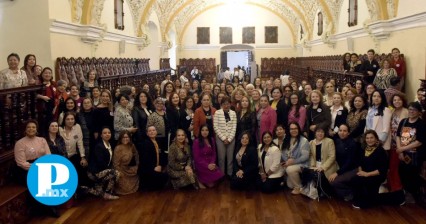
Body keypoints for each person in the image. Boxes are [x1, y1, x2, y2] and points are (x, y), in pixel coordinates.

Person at [396, 102, 425, 204]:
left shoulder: (421, 124)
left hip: (415, 155)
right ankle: (406, 192)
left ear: (418, 112)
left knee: (413, 174)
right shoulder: (404, 121)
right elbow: (398, 136)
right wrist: (400, 150)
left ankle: (413, 195)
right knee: (402, 172)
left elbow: (419, 142)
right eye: (410, 109)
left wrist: (403, 149)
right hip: (403, 154)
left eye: (414, 110)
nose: (411, 112)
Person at [352, 130, 389, 209]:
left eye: (372, 138)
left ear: (376, 139)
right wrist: (361, 171)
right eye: (367, 138)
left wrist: (367, 174)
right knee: (355, 180)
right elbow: (359, 163)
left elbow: (382, 170)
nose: (369, 140)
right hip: (364, 173)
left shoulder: (380, 151)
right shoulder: (363, 149)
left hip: (376, 175)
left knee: (372, 199)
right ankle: (360, 199)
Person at [85, 127, 120, 200]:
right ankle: (107, 193)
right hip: (94, 172)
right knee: (115, 173)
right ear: (101, 135)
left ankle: (89, 189)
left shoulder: (110, 145)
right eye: (105, 133)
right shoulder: (99, 146)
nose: (107, 134)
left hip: (103, 170)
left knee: (99, 193)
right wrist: (110, 169)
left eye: (109, 133)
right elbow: (100, 162)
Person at [14, 120, 51, 185]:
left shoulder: (42, 140)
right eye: (28, 127)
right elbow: (22, 163)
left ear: (36, 129)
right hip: (27, 171)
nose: (31, 129)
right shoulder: (19, 143)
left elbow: (48, 156)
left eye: (33, 127)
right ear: (25, 129)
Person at [329, 124, 360, 201]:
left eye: (344, 131)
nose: (342, 133)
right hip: (341, 168)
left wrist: (337, 173)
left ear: (348, 133)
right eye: (340, 130)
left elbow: (349, 162)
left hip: (352, 169)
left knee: (334, 182)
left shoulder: (352, 144)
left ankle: (350, 193)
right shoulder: (337, 141)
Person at [307, 126, 337, 196]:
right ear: (315, 133)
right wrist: (312, 164)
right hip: (315, 165)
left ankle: (323, 191)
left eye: (322, 132)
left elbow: (332, 157)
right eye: (318, 131)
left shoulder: (329, 141)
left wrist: (323, 167)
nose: (320, 133)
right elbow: (311, 155)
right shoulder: (311, 142)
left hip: (328, 166)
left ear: (324, 133)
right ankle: (316, 190)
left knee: (320, 175)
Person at [281, 122, 310, 194]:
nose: (293, 130)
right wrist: (287, 162)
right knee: (290, 185)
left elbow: (305, 157)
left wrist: (293, 162)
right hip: (290, 163)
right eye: (291, 129)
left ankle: (299, 187)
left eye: (295, 128)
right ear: (289, 130)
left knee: (290, 169)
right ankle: (301, 184)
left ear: (299, 129)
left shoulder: (303, 140)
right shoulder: (286, 139)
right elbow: (283, 153)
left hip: (303, 164)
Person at [388, 94, 408, 193]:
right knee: (391, 166)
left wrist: (402, 148)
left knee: (396, 167)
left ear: (403, 100)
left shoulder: (406, 111)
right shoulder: (392, 111)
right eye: (394, 100)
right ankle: (392, 186)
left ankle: (397, 188)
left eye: (399, 99)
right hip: (392, 142)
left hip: (401, 145)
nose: (396, 101)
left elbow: (407, 131)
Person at [139, 126, 168, 190]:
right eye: (150, 131)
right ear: (147, 133)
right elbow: (144, 160)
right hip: (149, 169)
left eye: (153, 130)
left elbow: (162, 155)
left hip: (158, 167)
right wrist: (153, 168)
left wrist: (160, 165)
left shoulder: (159, 142)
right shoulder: (145, 144)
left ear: (156, 132)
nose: (152, 132)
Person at [214, 96, 237, 177]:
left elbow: (234, 126)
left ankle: (230, 174)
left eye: (227, 104)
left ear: (230, 104)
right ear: (221, 104)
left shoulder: (233, 113)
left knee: (230, 158)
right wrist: (223, 138)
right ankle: (221, 174)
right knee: (221, 159)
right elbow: (215, 126)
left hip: (231, 139)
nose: (226, 106)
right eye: (224, 104)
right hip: (220, 139)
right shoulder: (217, 113)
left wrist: (229, 139)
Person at [112, 130, 139, 195]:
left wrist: (137, 165)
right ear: (120, 138)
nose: (125, 139)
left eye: (127, 137)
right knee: (125, 188)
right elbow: (115, 164)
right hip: (120, 169)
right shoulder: (118, 148)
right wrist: (120, 173)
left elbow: (136, 155)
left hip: (128, 168)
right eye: (123, 137)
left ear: (129, 138)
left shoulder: (131, 146)